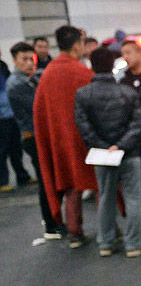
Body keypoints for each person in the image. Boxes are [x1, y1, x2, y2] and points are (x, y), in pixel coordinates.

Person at [73, 46, 141, 257]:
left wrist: (104, 146)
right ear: (113, 64)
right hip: (129, 153)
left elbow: (83, 126)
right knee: (133, 198)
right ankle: (133, 245)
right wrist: (121, 145)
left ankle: (106, 243)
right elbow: (138, 123)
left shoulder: (83, 94)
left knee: (105, 198)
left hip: (101, 155)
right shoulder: (128, 92)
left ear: (91, 66)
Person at [34, 25, 96, 248]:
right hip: (87, 138)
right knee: (101, 184)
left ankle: (75, 234)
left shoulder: (48, 73)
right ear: (78, 45)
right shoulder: (83, 73)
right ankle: (111, 231)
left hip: (60, 141)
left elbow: (40, 112)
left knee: (72, 186)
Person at [7, 42, 59, 237]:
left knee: (49, 181)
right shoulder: (18, 84)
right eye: (24, 59)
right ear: (14, 60)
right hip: (33, 138)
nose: (30, 63)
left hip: (37, 136)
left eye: (32, 59)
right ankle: (51, 225)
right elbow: (40, 104)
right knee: (46, 182)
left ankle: (54, 221)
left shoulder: (29, 78)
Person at [0, 57, 33, 192]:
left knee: (16, 147)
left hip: (11, 113)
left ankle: (22, 175)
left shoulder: (2, 66)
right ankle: (2, 180)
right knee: (2, 149)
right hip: (1, 116)